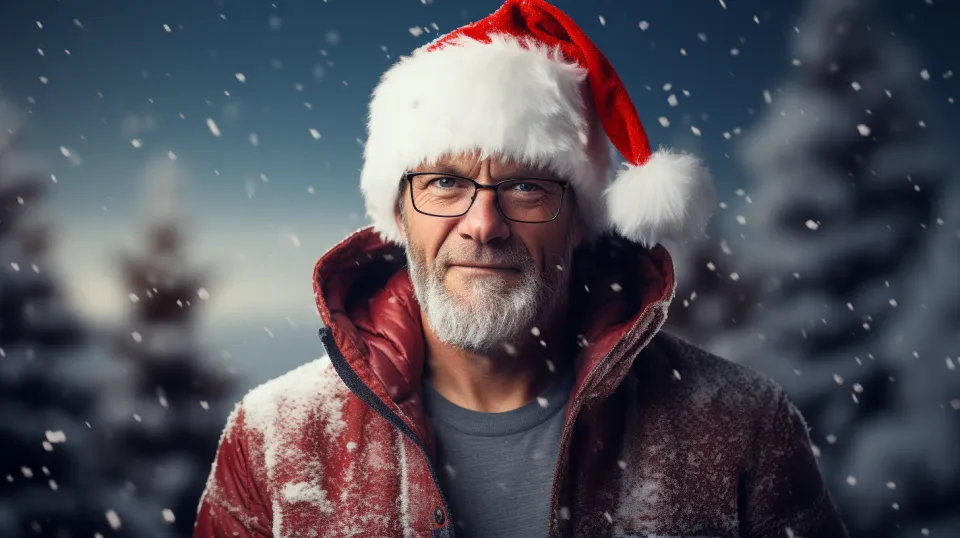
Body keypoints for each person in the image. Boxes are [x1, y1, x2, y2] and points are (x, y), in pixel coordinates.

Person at [193, 1, 849, 536]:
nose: (483, 225)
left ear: (579, 222)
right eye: (446, 183)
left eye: (527, 187)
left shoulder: (741, 427)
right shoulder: (273, 439)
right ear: (397, 213)